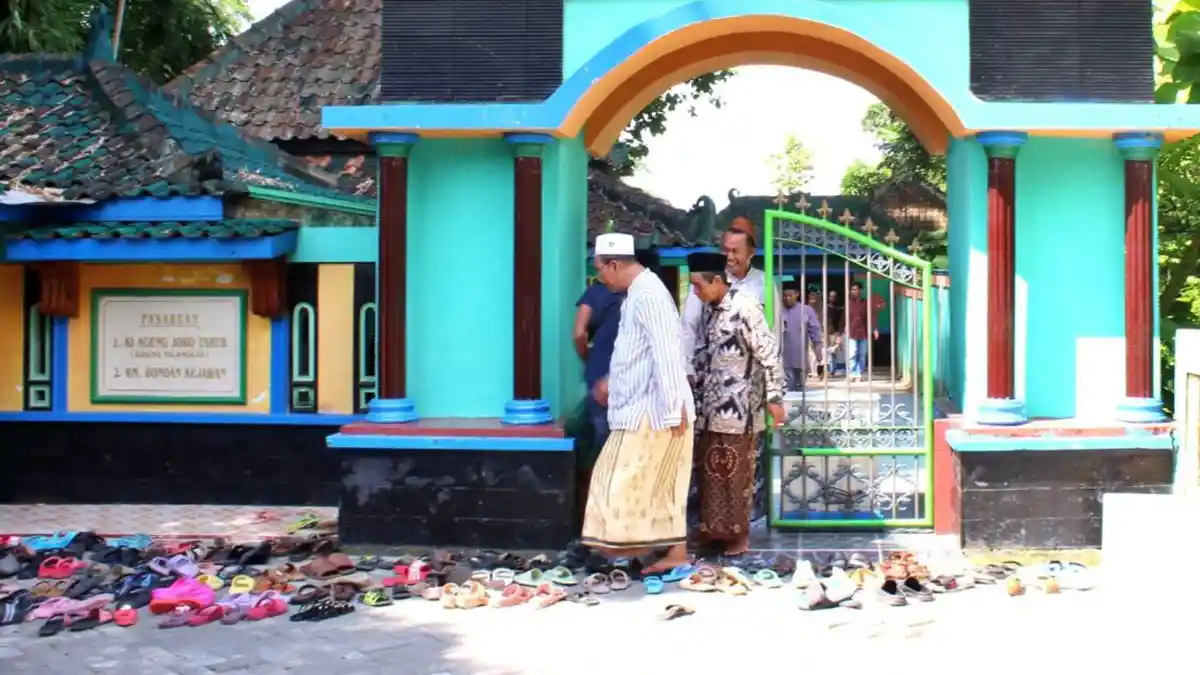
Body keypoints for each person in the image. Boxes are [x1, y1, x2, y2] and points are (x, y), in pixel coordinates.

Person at [581, 233, 695, 573]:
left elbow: (666, 355)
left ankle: (625, 553)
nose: (599, 276)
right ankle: (645, 553)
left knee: (622, 481)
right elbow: (637, 356)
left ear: (614, 264)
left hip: (656, 411)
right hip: (640, 407)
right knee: (653, 484)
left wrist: (674, 409)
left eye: (600, 268)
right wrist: (613, 383)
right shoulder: (637, 294)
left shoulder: (650, 296)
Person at [687, 252, 787, 556]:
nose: (695, 292)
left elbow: (768, 354)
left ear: (717, 281)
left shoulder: (746, 308)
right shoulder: (708, 310)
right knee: (709, 474)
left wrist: (775, 398)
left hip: (740, 410)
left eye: (697, 285)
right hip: (708, 410)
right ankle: (712, 531)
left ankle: (738, 536)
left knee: (736, 476)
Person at [681, 216, 783, 381]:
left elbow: (774, 332)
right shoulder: (708, 280)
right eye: (725, 250)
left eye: (735, 251)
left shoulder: (764, 284)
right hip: (712, 374)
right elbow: (689, 326)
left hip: (751, 377)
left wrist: (773, 379)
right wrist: (687, 369)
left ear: (751, 253)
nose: (729, 256)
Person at [781, 283, 823, 390]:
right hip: (782, 359)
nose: (787, 298)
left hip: (800, 358)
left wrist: (818, 353)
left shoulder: (806, 310)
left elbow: (815, 331)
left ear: (797, 294)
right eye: (785, 296)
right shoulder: (778, 310)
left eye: (790, 295)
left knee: (800, 390)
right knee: (786, 390)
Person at [847, 280, 885, 381]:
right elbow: (843, 318)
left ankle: (858, 372)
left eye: (855, 289)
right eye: (852, 290)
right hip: (852, 332)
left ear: (860, 290)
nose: (853, 291)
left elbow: (871, 316)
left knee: (862, 354)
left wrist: (875, 329)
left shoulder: (866, 303)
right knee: (853, 353)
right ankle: (853, 373)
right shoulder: (849, 303)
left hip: (864, 332)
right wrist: (838, 332)